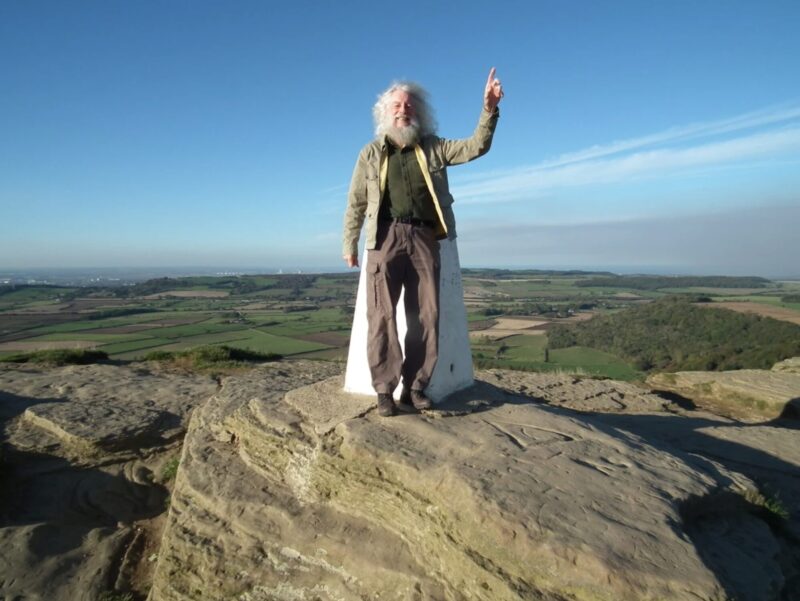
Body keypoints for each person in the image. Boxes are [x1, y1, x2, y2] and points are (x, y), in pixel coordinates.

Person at [342, 68, 504, 416]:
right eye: (397, 105)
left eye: (410, 105)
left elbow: (475, 147)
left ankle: (415, 387)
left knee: (426, 316)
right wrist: (349, 244)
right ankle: (384, 390)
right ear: (385, 112)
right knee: (381, 316)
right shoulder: (370, 153)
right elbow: (355, 201)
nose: (404, 109)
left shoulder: (433, 147)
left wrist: (489, 110)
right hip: (383, 237)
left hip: (424, 237)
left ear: (420, 112)